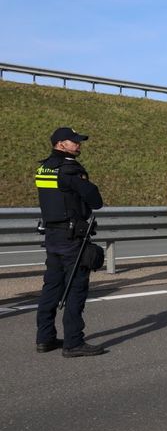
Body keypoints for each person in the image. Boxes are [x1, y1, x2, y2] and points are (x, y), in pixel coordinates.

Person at [35, 127, 106, 357]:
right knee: (76, 289)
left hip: (52, 235)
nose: (78, 144)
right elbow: (95, 201)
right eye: (73, 141)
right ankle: (74, 342)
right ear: (59, 144)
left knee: (51, 287)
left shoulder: (44, 167)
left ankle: (44, 338)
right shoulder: (70, 169)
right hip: (71, 237)